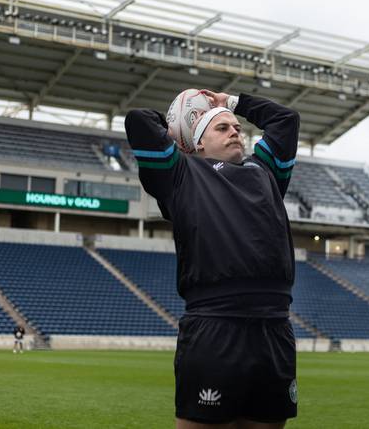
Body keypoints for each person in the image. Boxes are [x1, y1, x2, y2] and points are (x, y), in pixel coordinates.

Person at [126, 90, 300, 429]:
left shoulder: (265, 172)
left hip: (274, 327)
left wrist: (231, 102)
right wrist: (180, 123)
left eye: (237, 127)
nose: (236, 131)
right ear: (197, 144)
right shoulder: (181, 175)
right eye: (222, 128)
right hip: (215, 324)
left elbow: (285, 120)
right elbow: (138, 120)